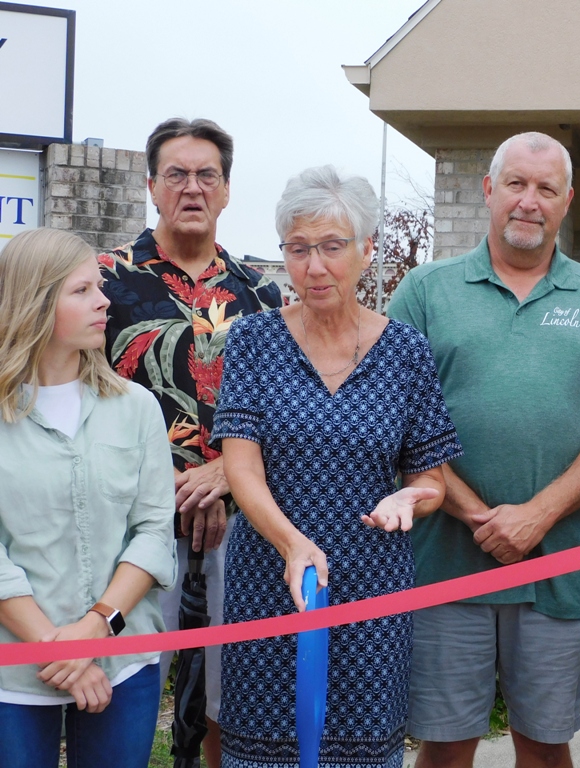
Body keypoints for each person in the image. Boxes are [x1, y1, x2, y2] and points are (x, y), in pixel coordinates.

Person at [388, 131, 580, 768]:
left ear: (566, 202)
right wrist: (478, 515)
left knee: (545, 743)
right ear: (489, 190)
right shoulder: (427, 291)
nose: (529, 201)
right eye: (516, 184)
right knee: (444, 745)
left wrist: (538, 515)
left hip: (559, 563)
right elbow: (391, 417)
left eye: (546, 189)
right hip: (445, 560)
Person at [211, 165, 462, 768]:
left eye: (331, 246)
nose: (314, 266)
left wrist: (410, 499)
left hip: (371, 584)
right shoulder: (253, 341)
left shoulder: (405, 350)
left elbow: (431, 478)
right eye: (298, 249)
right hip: (270, 576)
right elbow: (241, 468)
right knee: (263, 747)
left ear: (366, 249)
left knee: (361, 748)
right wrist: (293, 544)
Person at [99, 117, 282, 767]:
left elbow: (287, 407)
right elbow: (76, 394)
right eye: (176, 174)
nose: (193, 187)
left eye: (208, 175)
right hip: (128, 524)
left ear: (227, 189)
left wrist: (228, 472)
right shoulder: (104, 281)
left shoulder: (262, 293)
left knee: (229, 701)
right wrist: (162, 480)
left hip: (240, 525)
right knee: (120, 688)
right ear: (152, 185)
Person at [0, 229, 176, 768]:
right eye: (81, 291)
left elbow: (153, 531)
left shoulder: (137, 407)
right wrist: (59, 648)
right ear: (34, 303)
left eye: (98, 286)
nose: (104, 301)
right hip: (13, 672)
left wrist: (97, 627)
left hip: (123, 660)